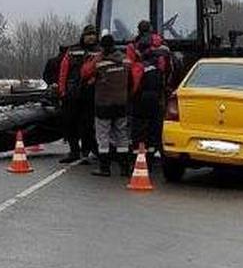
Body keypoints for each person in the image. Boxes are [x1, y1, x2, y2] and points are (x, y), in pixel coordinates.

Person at [81, 32, 131, 177]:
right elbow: (132, 79)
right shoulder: (125, 60)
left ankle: (104, 168)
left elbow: (85, 73)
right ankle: (124, 168)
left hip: (103, 104)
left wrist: (96, 57)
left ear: (102, 47)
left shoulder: (100, 62)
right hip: (121, 103)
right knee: (122, 136)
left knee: (103, 136)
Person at [126, 20, 171, 155]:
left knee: (138, 125)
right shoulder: (163, 47)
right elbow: (170, 69)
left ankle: (138, 153)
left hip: (139, 92)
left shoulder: (133, 47)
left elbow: (129, 70)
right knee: (154, 124)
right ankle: (152, 151)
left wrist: (131, 93)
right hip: (158, 92)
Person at [57, 25, 99, 163]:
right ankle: (74, 151)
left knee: (87, 125)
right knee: (69, 122)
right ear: (83, 36)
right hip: (72, 93)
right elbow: (64, 71)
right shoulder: (73, 50)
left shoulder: (99, 51)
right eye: (89, 35)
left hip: (90, 93)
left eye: (93, 34)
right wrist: (62, 90)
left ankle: (86, 152)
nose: (91, 37)